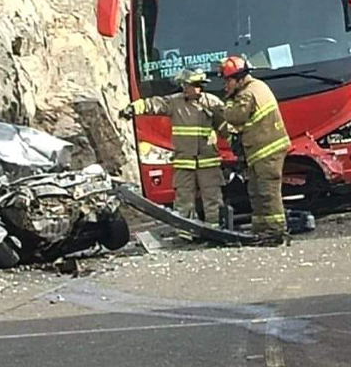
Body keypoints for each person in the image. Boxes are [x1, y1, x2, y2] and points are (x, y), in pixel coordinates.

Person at [123, 68, 229, 228]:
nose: (184, 88)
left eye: (188, 85)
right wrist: (134, 108)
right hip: (184, 163)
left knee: (213, 198)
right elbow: (154, 104)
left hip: (208, 162)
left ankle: (216, 229)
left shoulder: (212, 103)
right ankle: (186, 230)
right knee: (183, 200)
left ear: (199, 86)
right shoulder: (175, 102)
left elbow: (226, 127)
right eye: (184, 85)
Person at [218, 56, 291, 246]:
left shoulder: (246, 94)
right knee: (256, 191)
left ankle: (275, 232)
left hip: (267, 151)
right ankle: (261, 229)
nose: (226, 85)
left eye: (228, 81)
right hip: (261, 152)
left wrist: (224, 104)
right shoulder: (257, 86)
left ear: (239, 78)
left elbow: (235, 116)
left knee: (267, 192)